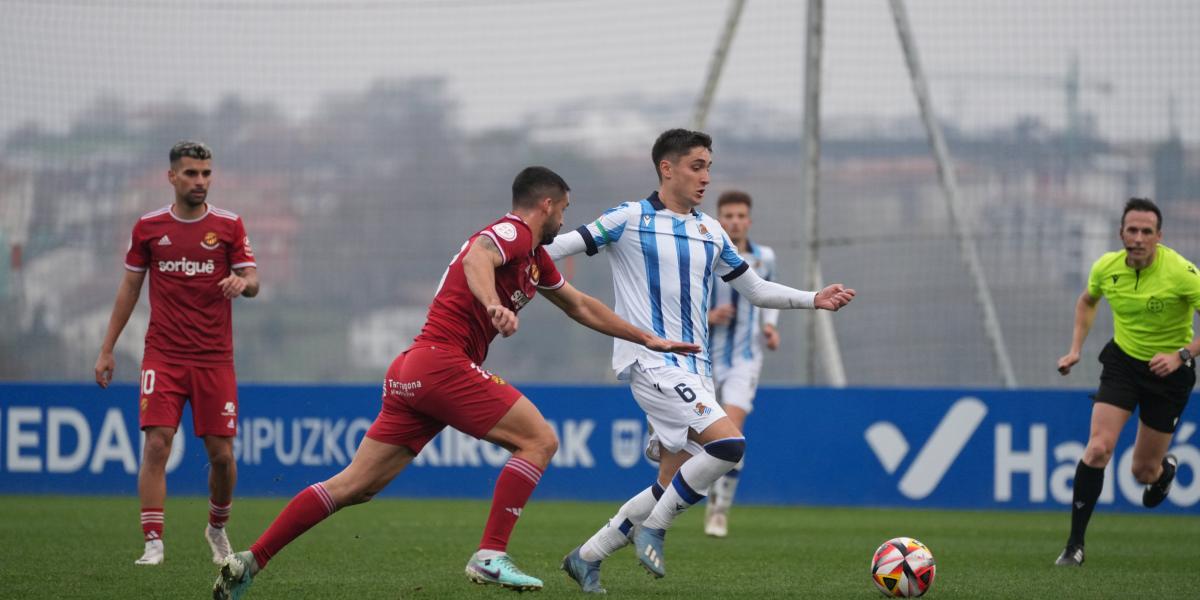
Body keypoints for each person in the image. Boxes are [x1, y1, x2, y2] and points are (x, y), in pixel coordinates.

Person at [212, 166, 699, 599]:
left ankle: (250, 561)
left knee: (355, 486)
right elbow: (477, 259)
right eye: (564, 210)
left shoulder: (535, 258)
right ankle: (490, 554)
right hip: (441, 364)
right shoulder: (511, 231)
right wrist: (492, 304)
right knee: (539, 440)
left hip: (414, 369)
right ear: (547, 205)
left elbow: (580, 305)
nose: (564, 221)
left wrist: (645, 338)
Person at [548, 128, 854, 593]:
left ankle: (587, 556)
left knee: (667, 484)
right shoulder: (629, 218)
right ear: (667, 168)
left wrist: (813, 298)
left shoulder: (710, 230)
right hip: (651, 363)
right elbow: (556, 245)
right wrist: (500, 251)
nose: (706, 177)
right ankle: (655, 529)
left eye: (709, 167)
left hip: (696, 370)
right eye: (697, 166)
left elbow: (755, 289)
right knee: (729, 446)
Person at [94, 141, 260, 566]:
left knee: (222, 456)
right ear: (172, 177)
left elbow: (253, 279)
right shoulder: (149, 227)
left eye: (205, 173)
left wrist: (242, 283)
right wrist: (107, 348)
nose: (200, 181)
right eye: (191, 173)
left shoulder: (228, 225)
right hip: (163, 356)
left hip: (214, 359)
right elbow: (130, 288)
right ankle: (153, 542)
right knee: (157, 444)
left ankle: (217, 527)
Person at [1054, 197, 1198, 567]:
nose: (1138, 238)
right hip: (1123, 364)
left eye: (1146, 232)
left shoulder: (1181, 272)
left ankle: (1163, 472)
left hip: (1169, 374)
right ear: (1121, 233)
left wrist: (1182, 354)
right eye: (1131, 230)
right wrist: (1075, 349)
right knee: (1098, 449)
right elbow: (1087, 302)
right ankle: (1074, 546)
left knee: (1142, 472)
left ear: (1159, 236)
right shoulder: (1106, 267)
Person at [702, 190, 780, 538]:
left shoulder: (765, 257)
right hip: (703, 357)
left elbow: (770, 294)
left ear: (749, 220)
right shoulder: (706, 254)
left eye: (740, 216)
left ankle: (719, 509)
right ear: (719, 220)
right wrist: (709, 316)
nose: (734, 222)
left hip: (744, 359)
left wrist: (770, 327)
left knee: (733, 435)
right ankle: (705, 492)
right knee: (706, 438)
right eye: (728, 216)